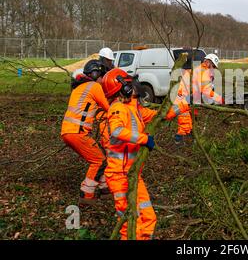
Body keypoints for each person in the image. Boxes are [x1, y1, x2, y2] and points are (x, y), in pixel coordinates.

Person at [101, 68, 157, 240]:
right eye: (129, 83)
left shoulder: (134, 108)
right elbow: (117, 131)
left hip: (132, 174)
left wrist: (182, 105)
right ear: (123, 87)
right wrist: (143, 139)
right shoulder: (117, 108)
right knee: (129, 222)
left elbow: (159, 115)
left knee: (148, 217)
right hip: (119, 175)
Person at [60, 60, 111, 205]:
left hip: (69, 132)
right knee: (99, 160)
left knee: (100, 157)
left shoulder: (79, 87)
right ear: (96, 74)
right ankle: (86, 195)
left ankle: (105, 189)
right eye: (102, 76)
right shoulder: (94, 86)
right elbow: (108, 107)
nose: (103, 80)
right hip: (77, 132)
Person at [166, 54, 223, 143]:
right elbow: (206, 90)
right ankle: (178, 143)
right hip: (183, 99)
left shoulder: (200, 69)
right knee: (183, 123)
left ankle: (190, 138)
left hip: (187, 99)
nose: (214, 69)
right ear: (208, 62)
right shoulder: (203, 71)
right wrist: (219, 99)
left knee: (191, 118)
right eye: (213, 66)